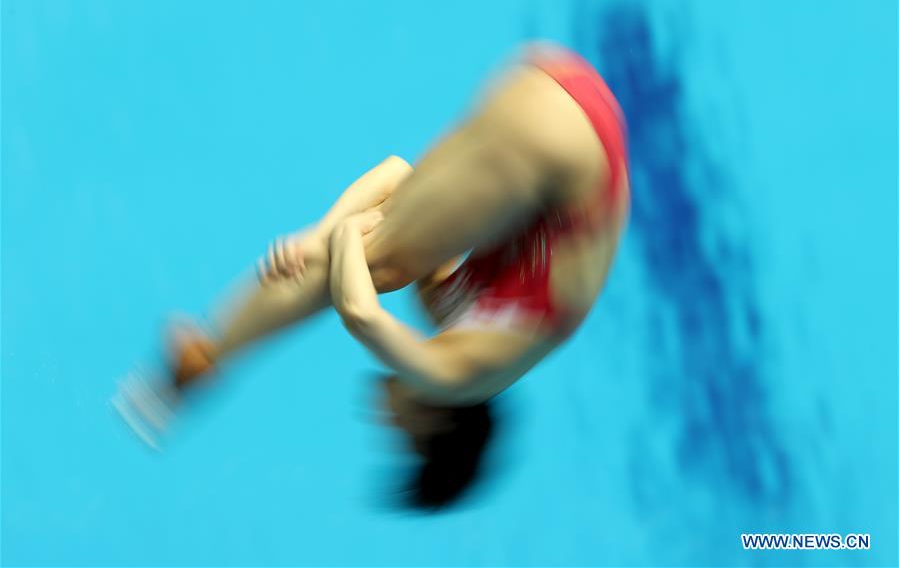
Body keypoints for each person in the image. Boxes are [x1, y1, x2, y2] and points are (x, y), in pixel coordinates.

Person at [114, 41, 630, 508]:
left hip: (557, 84)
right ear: (435, 425)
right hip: (563, 143)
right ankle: (206, 360)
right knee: (374, 265)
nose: (383, 423)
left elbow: (394, 175)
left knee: (381, 255)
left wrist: (323, 236)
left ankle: (210, 354)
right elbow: (359, 314)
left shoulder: (451, 309)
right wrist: (337, 237)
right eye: (400, 438)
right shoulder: (459, 377)